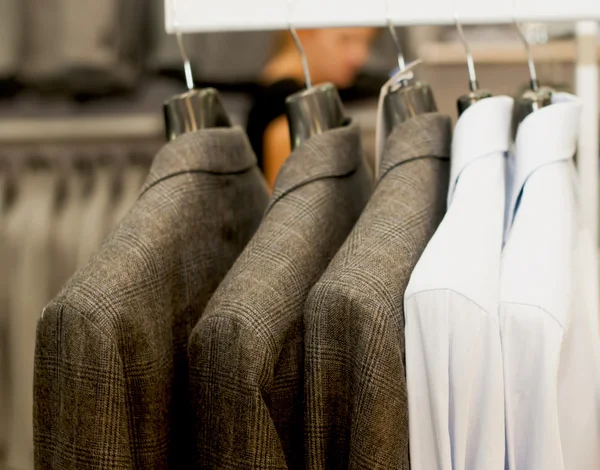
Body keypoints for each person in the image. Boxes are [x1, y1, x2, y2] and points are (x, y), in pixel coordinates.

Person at [246, 28, 378, 188]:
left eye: (367, 42)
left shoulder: (276, 96)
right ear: (302, 32)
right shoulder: (288, 110)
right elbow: (289, 207)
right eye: (345, 39)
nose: (360, 57)